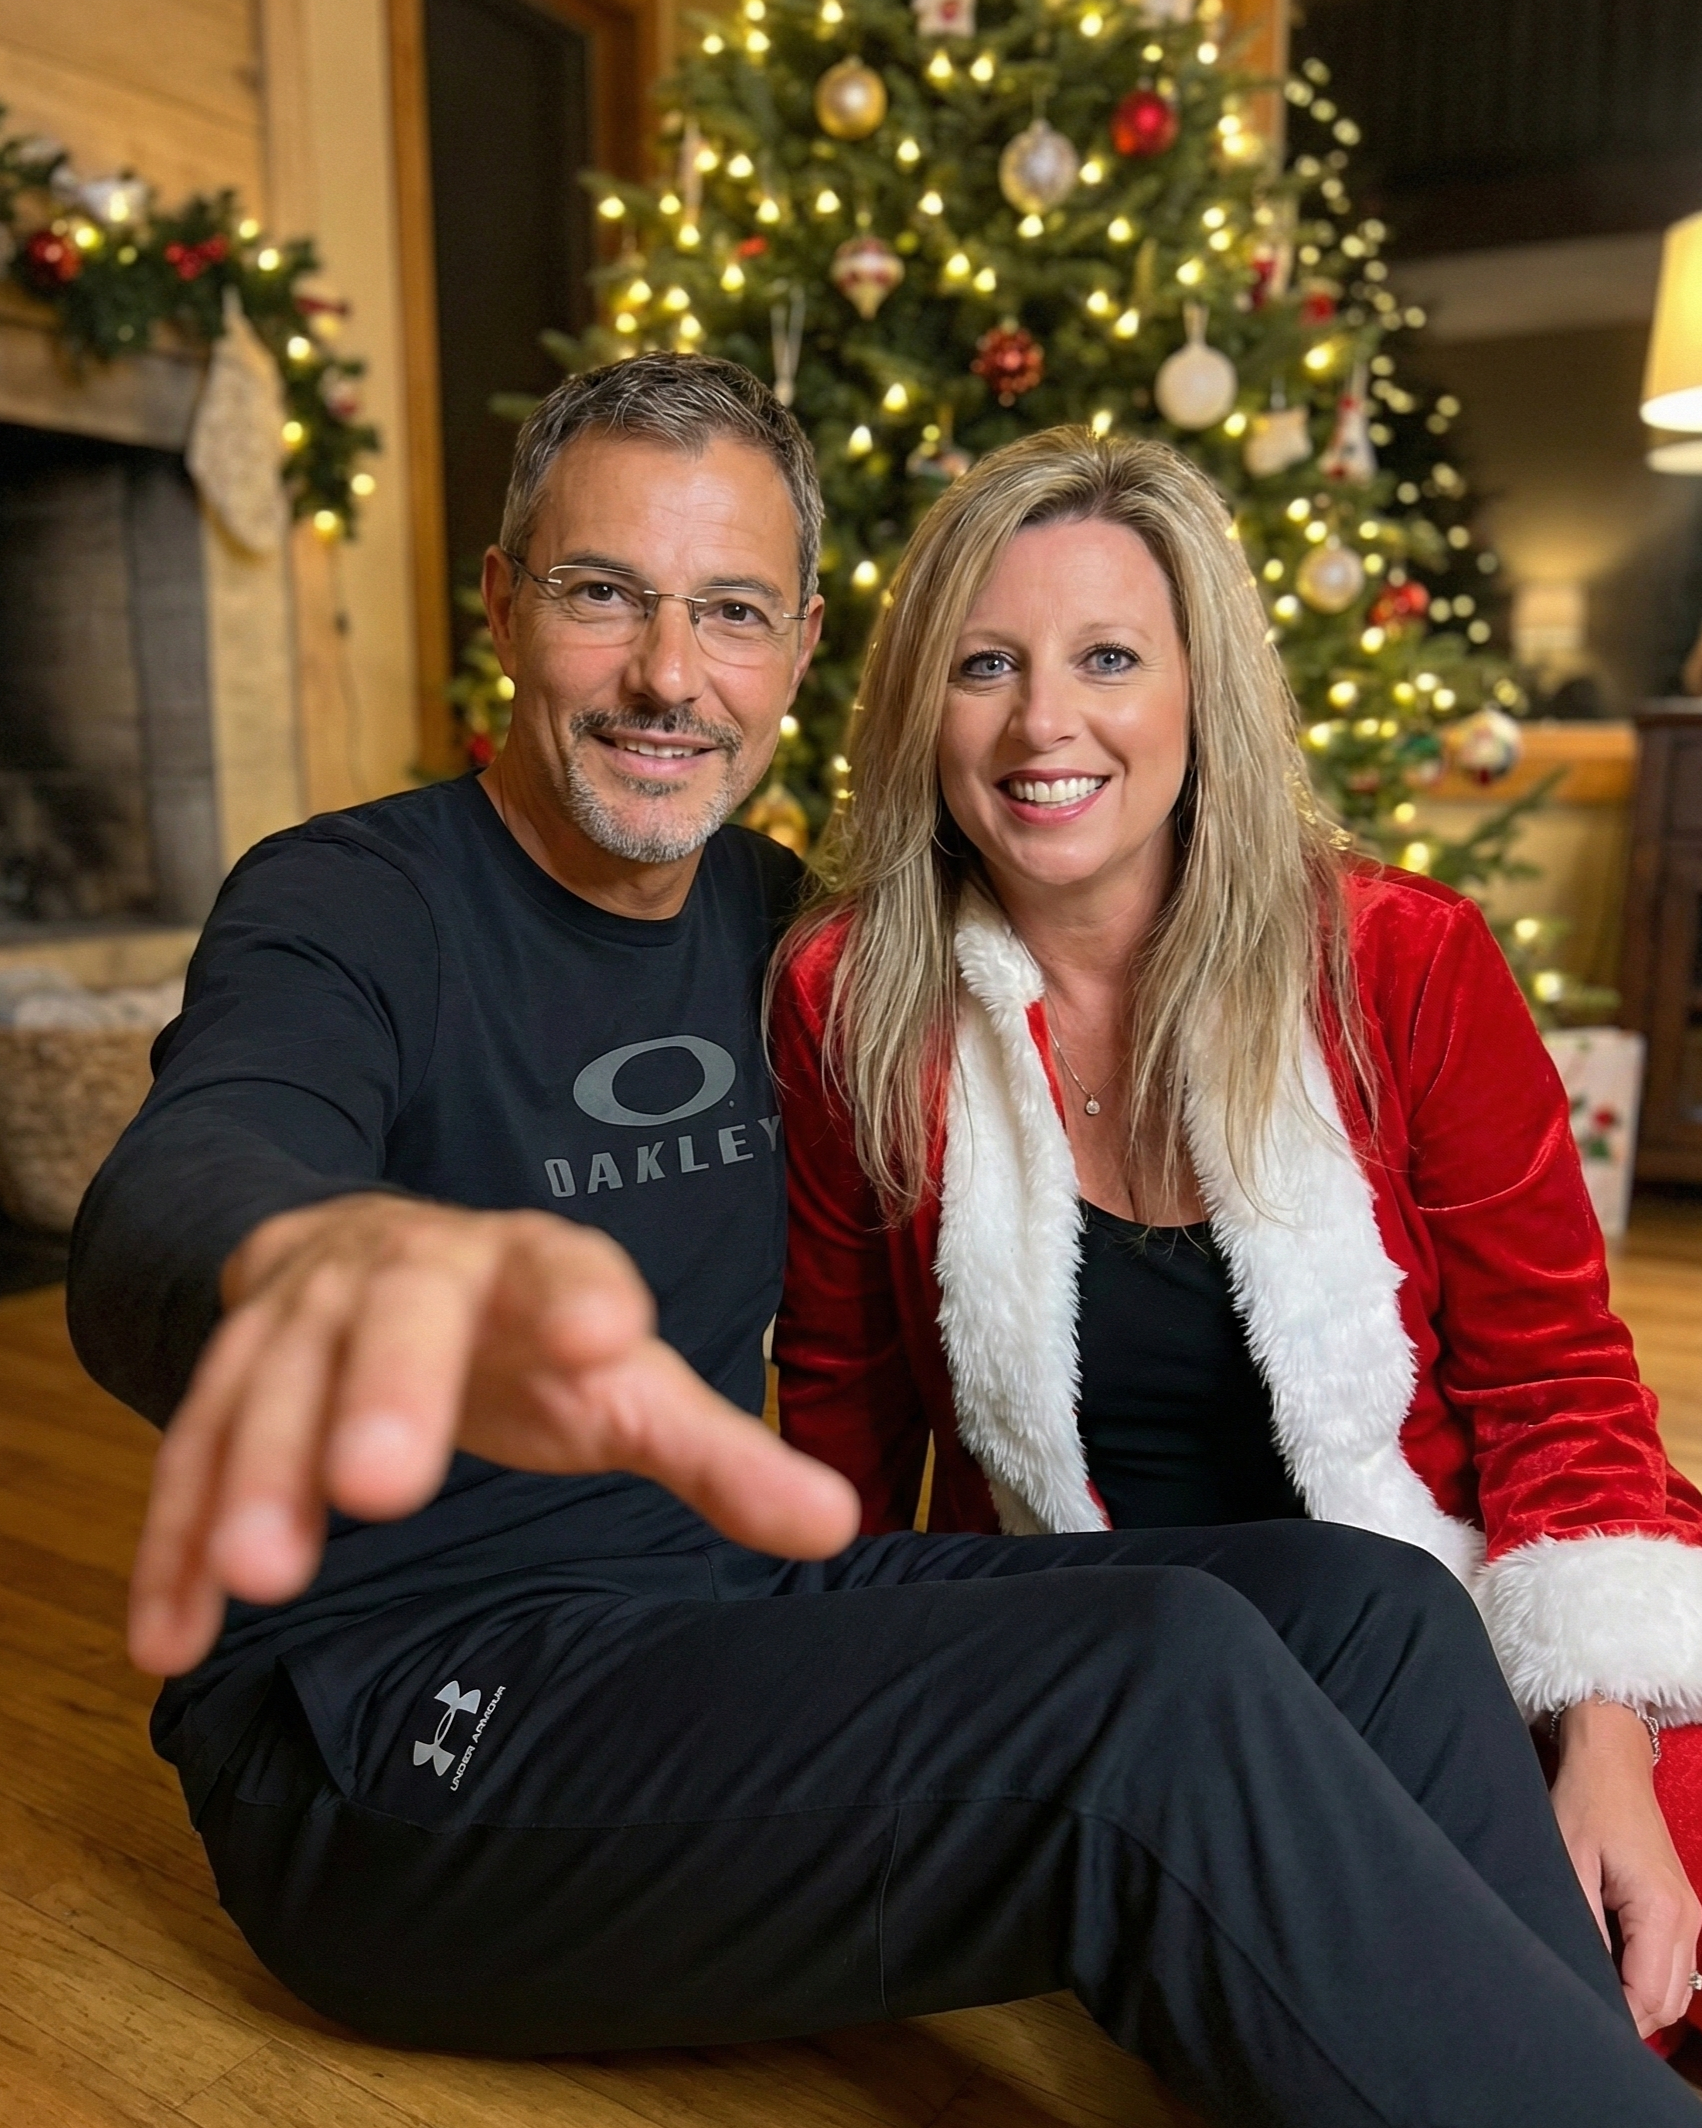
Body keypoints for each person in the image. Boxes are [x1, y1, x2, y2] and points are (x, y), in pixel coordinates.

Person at [69, 357, 1695, 2125]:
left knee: (1362, 1605)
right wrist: (315, 1260)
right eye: (603, 593)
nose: (668, 675)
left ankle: (1592, 2071)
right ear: (505, 606)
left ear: (801, 646)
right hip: (395, 1729)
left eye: (732, 612)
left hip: (703, 1618)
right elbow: (195, 1164)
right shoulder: (347, 904)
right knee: (1154, 1690)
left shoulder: (802, 945)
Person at [769, 424, 1702, 2057]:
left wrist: (1600, 1740)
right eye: (984, 663)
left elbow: (1558, 1379)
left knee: (1646, 1926)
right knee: (1435, 2043)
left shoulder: (1400, 961)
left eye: (1107, 657)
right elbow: (845, 1413)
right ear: (921, 705)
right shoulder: (847, 998)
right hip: (1146, 1686)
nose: (1042, 721)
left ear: (1202, 695)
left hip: (1489, 1614)